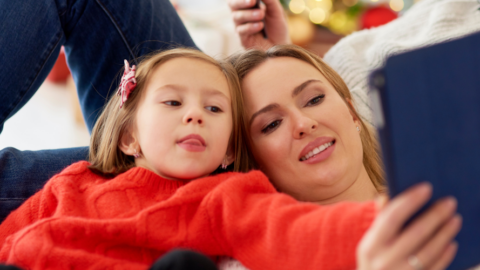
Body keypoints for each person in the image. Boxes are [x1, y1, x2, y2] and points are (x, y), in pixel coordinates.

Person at [0, 47, 457, 270]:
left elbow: (294, 233)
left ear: (232, 151)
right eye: (270, 124)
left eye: (214, 109)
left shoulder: (224, 198)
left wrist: (385, 219)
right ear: (127, 139)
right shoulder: (73, 181)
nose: (196, 115)